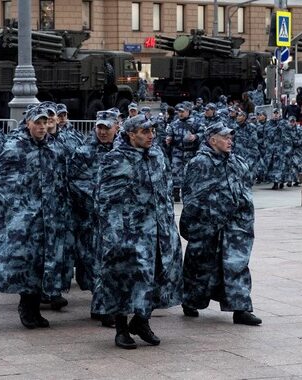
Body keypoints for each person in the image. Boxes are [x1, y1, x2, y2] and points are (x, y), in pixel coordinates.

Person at [92, 115, 183, 349]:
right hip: (129, 231)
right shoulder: (115, 159)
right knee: (124, 278)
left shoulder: (157, 156)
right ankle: (122, 329)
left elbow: (165, 191)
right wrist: (114, 234)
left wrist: (169, 226)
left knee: (157, 276)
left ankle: (142, 320)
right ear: (131, 134)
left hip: (159, 230)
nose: (151, 135)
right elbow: (104, 200)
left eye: (152, 130)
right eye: (145, 131)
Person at [0, 105, 73, 329]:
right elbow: (2, 182)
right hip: (24, 217)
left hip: (50, 216)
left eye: (45, 123)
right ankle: (27, 306)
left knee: (45, 262)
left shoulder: (55, 147)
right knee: (28, 262)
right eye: (38, 123)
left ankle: (36, 306)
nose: (42, 127)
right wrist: (14, 210)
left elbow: (63, 178)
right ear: (28, 124)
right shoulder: (14, 148)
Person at [180, 122, 261, 326]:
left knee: (237, 264)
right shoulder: (200, 163)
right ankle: (190, 300)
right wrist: (194, 223)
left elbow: (246, 187)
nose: (229, 141)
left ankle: (241, 308)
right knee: (199, 264)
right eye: (225, 137)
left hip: (235, 225)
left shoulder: (237, 161)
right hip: (207, 225)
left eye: (230, 137)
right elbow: (190, 196)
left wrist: (245, 213)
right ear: (212, 139)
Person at [68, 111, 118, 326]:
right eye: (100, 127)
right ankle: (103, 307)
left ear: (117, 127)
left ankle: (106, 305)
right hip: (91, 218)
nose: (103, 132)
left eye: (107, 128)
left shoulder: (123, 151)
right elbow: (72, 180)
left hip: (117, 219)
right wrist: (96, 197)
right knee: (96, 264)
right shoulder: (84, 152)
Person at [166, 104, 202, 202]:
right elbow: (169, 134)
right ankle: (176, 193)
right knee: (176, 172)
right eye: (179, 112)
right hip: (177, 152)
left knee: (190, 173)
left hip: (191, 153)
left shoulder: (196, 122)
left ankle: (189, 194)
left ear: (188, 111)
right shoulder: (174, 123)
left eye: (182, 111)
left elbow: (203, 133)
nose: (180, 114)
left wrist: (196, 136)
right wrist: (168, 139)